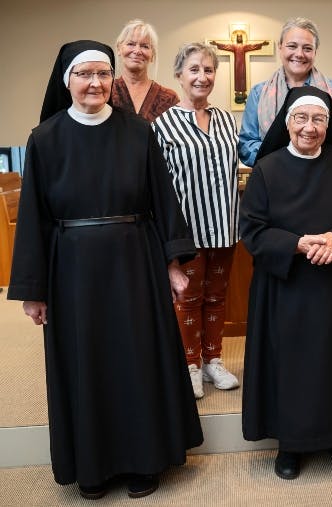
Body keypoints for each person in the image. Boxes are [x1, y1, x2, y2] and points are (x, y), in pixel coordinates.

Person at [7, 40, 203, 499]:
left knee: (137, 359)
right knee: (85, 362)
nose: (94, 83)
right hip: (72, 269)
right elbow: (34, 217)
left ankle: (144, 461)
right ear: (67, 81)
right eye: (83, 74)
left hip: (134, 261)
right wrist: (34, 289)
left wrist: (173, 262)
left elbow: (162, 199)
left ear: (111, 80)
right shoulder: (45, 138)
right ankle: (92, 468)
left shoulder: (138, 132)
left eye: (101, 74)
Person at [239, 86, 332, 480]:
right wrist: (297, 245)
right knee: (291, 364)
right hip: (286, 288)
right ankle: (291, 443)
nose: (309, 128)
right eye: (301, 119)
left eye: (319, 119)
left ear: (329, 125)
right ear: (287, 123)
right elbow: (251, 230)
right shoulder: (266, 169)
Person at [152, 42, 240, 400]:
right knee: (188, 300)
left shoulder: (225, 119)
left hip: (225, 225)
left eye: (208, 70)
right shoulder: (164, 124)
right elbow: (157, 184)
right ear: (179, 75)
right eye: (194, 70)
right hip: (187, 231)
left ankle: (212, 361)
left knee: (217, 298)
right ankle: (188, 366)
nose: (202, 77)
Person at [238, 17, 332, 167]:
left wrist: (318, 158)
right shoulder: (258, 93)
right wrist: (285, 160)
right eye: (292, 46)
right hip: (275, 179)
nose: (299, 54)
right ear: (280, 47)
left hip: (325, 178)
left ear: (315, 51)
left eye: (307, 48)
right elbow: (246, 146)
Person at [112, 19, 179, 122]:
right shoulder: (106, 92)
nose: (137, 51)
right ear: (119, 49)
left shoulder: (169, 98)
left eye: (145, 46)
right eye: (131, 44)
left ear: (152, 55)